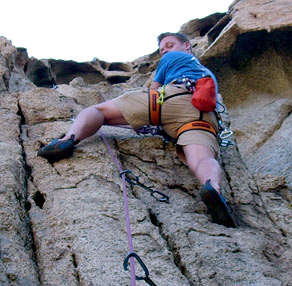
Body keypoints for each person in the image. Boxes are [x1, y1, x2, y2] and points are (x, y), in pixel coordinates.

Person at [38, 32, 235, 228]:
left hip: (172, 98)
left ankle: (68, 138)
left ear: (187, 46)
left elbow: (153, 90)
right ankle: (212, 187)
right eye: (162, 49)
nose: (165, 50)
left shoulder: (174, 58)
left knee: (98, 111)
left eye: (169, 44)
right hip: (203, 115)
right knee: (201, 158)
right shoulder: (208, 75)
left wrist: (128, 116)